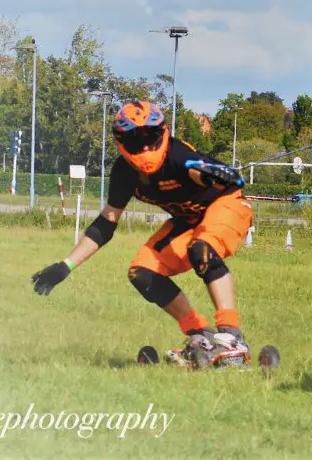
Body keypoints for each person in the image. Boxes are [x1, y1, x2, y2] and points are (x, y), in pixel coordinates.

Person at [31, 99, 254, 369]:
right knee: (142, 272)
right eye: (137, 143)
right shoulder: (125, 173)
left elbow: (233, 179)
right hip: (188, 220)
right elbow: (106, 224)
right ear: (121, 143)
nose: (146, 148)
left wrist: (216, 175)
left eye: (151, 139)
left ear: (163, 134)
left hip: (227, 205)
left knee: (201, 249)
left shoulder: (178, 155)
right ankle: (201, 336)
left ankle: (232, 337)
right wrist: (65, 266)